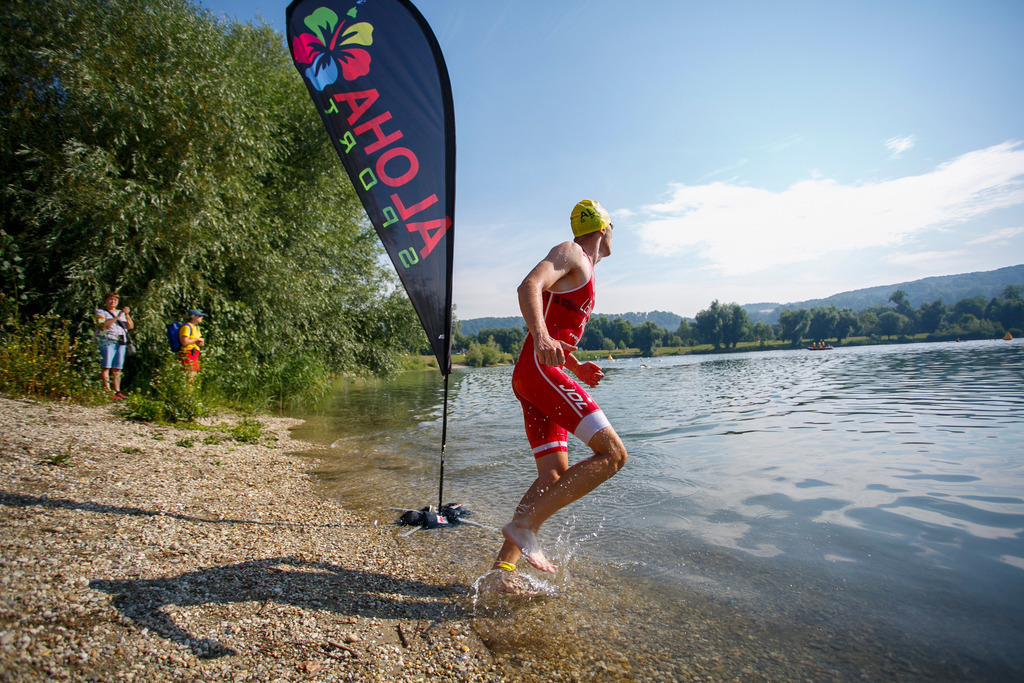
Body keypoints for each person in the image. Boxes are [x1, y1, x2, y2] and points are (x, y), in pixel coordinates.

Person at [493, 199, 628, 582]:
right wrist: (540, 338)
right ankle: (526, 527)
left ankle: (501, 572)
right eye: (613, 227)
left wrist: (575, 364)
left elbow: (556, 333)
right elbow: (529, 285)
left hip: (537, 371)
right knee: (613, 454)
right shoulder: (571, 252)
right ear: (603, 229)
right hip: (536, 369)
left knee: (552, 476)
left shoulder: (583, 269)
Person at [94, 292, 133, 399]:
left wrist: (127, 315)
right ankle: (107, 391)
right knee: (106, 366)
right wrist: (117, 317)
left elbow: (130, 326)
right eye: (110, 299)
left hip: (121, 341)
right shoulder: (101, 312)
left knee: (117, 367)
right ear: (106, 301)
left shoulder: (121, 313)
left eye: (115, 300)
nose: (113, 302)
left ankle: (117, 391)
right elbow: (102, 326)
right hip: (107, 340)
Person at [178, 309, 205, 374]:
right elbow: (184, 342)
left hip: (195, 353)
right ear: (192, 317)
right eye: (199, 316)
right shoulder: (186, 327)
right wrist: (197, 340)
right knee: (189, 375)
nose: (201, 317)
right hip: (188, 353)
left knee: (194, 376)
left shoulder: (196, 328)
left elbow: (199, 343)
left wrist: (201, 343)